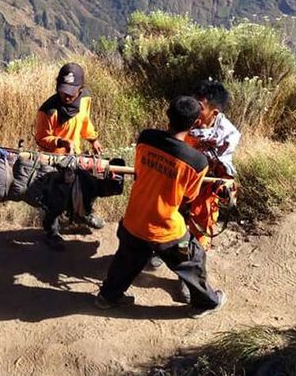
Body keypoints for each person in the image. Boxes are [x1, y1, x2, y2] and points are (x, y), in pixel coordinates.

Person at [96, 96, 227, 318]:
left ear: (168, 116)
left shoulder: (146, 138)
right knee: (193, 260)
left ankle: (108, 297)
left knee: (127, 258)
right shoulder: (196, 162)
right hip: (164, 226)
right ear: (196, 123)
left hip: (134, 218)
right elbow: (189, 196)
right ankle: (205, 302)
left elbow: (139, 172)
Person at [147, 80, 240, 273]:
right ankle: (160, 251)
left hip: (205, 186)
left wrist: (224, 184)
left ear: (214, 113)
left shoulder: (228, 135)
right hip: (179, 180)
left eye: (200, 107)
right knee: (168, 214)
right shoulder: (184, 120)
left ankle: (190, 275)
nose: (194, 110)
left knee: (200, 228)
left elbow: (224, 166)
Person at [35, 63, 105, 249]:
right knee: (57, 197)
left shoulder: (85, 99)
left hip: (75, 156)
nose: (65, 96)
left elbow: (85, 121)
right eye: (62, 91)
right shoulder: (49, 110)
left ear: (81, 89)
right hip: (54, 160)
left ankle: (83, 214)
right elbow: (41, 139)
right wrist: (60, 142)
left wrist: (93, 139)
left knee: (89, 185)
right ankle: (51, 231)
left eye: (71, 92)